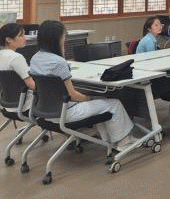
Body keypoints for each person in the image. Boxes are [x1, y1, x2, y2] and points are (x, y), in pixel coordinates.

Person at [29, 20, 137, 149]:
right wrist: (89, 98)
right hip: (65, 113)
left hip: (44, 112)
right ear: (57, 39)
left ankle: (107, 139)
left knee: (99, 102)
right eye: (63, 37)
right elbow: (72, 95)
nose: (65, 40)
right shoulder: (59, 62)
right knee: (113, 104)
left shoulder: (35, 58)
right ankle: (123, 141)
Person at [0, 23, 35, 111]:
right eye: (21, 35)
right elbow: (31, 85)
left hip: (6, 106)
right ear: (8, 39)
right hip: (25, 107)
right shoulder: (16, 57)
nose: (25, 38)